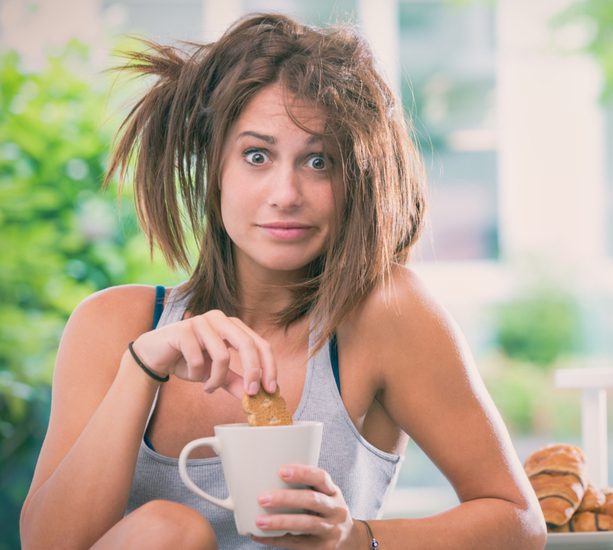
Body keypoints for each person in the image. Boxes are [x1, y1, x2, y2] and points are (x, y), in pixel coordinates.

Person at [19, 12, 546, 550]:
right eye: (256, 156)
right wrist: (143, 368)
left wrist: (353, 537)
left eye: (319, 161)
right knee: (169, 531)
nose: (286, 193)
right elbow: (47, 543)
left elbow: (519, 522)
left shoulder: (386, 314)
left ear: (355, 179)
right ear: (214, 167)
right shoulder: (114, 326)